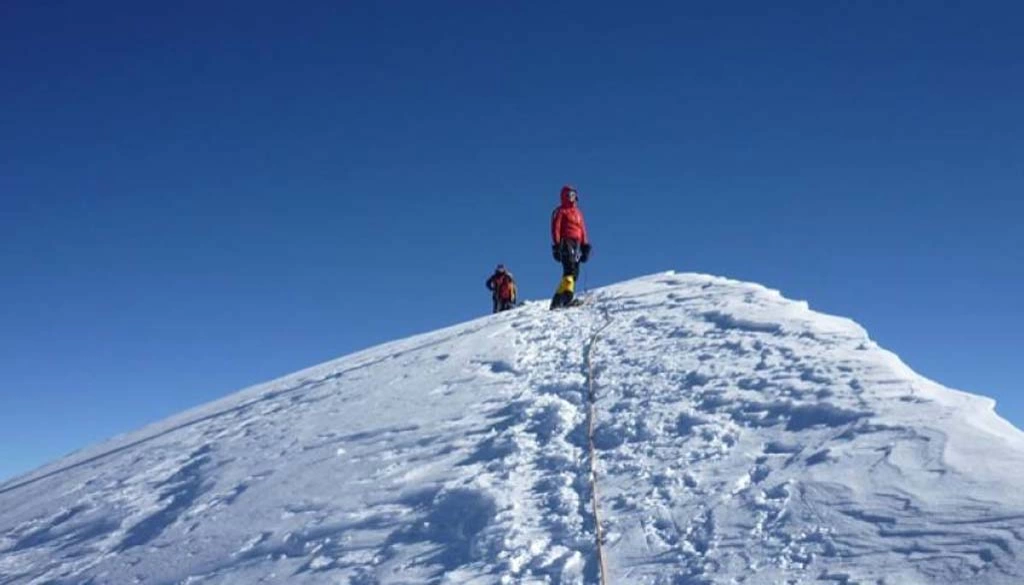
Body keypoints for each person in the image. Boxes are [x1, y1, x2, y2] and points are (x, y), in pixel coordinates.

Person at [550, 184, 592, 309]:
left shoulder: (578, 212)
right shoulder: (560, 211)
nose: (572, 197)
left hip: (577, 243)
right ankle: (567, 298)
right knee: (570, 270)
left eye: (574, 195)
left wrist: (585, 246)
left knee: (575, 274)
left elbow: (582, 229)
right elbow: (555, 229)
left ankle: (557, 300)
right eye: (569, 195)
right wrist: (557, 245)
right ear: (564, 196)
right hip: (565, 242)